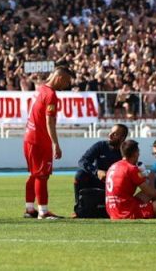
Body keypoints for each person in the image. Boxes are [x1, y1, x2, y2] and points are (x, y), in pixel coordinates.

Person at [23, 64, 72, 220]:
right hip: (39, 140)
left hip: (29, 138)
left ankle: (30, 208)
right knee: (42, 176)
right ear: (59, 78)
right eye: (66, 82)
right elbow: (49, 121)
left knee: (34, 174)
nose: (67, 85)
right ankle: (43, 212)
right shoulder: (51, 95)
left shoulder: (41, 89)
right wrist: (55, 144)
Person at [73, 123, 129, 206]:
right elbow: (82, 161)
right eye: (110, 132)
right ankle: (79, 207)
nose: (110, 135)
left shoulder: (126, 150)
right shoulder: (101, 146)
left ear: (122, 138)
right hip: (98, 181)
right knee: (80, 174)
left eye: (115, 134)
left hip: (115, 184)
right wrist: (97, 172)